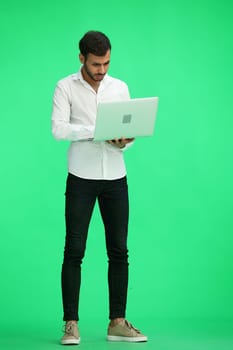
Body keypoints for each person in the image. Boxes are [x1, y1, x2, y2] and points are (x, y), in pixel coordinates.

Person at [52, 30, 148, 345]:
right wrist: (98, 131)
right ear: (82, 58)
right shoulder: (65, 87)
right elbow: (58, 128)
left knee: (119, 251)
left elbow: (127, 131)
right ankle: (70, 324)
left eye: (106, 62)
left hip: (116, 177)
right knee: (74, 250)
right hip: (81, 176)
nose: (101, 70)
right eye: (96, 63)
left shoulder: (120, 87)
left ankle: (117, 322)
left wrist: (125, 140)